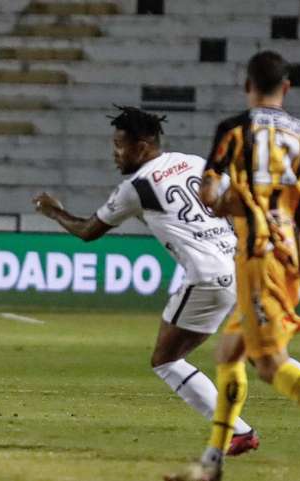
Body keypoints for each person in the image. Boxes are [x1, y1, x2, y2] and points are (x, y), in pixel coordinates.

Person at [165, 51, 300, 481]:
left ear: (247, 86)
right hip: (289, 252)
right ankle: (213, 461)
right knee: (229, 352)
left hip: (257, 254)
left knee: (268, 364)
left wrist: (226, 200)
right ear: (286, 88)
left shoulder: (234, 132)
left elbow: (209, 193)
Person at [33, 105, 261, 456]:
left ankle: (237, 430)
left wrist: (53, 211)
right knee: (254, 355)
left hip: (207, 277)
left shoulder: (137, 186)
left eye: (119, 145)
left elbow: (87, 231)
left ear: (142, 146)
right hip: (240, 267)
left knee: (166, 359)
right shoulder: (196, 162)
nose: (115, 153)